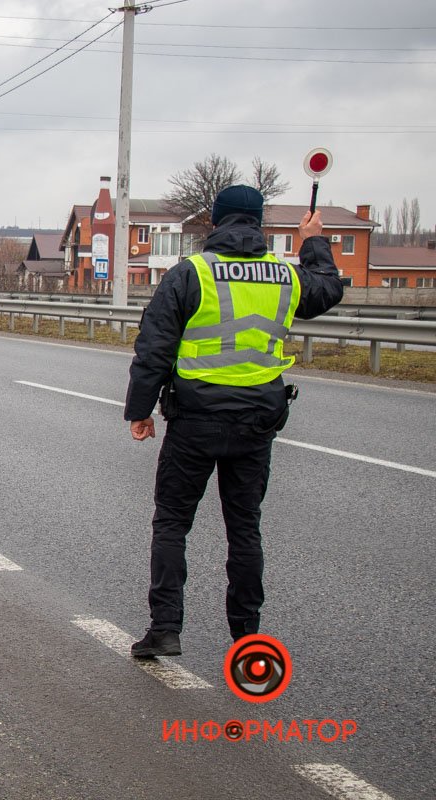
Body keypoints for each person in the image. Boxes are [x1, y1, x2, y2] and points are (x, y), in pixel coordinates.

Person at [124, 185, 343, 659]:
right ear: (259, 222)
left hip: (195, 422)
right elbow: (328, 288)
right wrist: (313, 241)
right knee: (244, 528)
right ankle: (247, 635)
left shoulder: (193, 273)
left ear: (216, 221)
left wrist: (140, 411)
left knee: (172, 524)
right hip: (256, 423)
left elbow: (154, 347)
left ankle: (165, 629)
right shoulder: (285, 276)